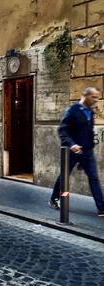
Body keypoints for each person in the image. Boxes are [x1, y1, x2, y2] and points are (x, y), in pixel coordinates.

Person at [49, 87, 104, 217]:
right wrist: (72, 144)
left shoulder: (90, 111)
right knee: (64, 176)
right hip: (71, 151)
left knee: (94, 178)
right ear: (84, 95)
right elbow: (63, 130)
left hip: (87, 152)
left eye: (97, 97)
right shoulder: (72, 111)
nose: (96, 100)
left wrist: (90, 146)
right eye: (94, 97)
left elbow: (88, 132)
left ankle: (101, 207)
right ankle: (54, 199)